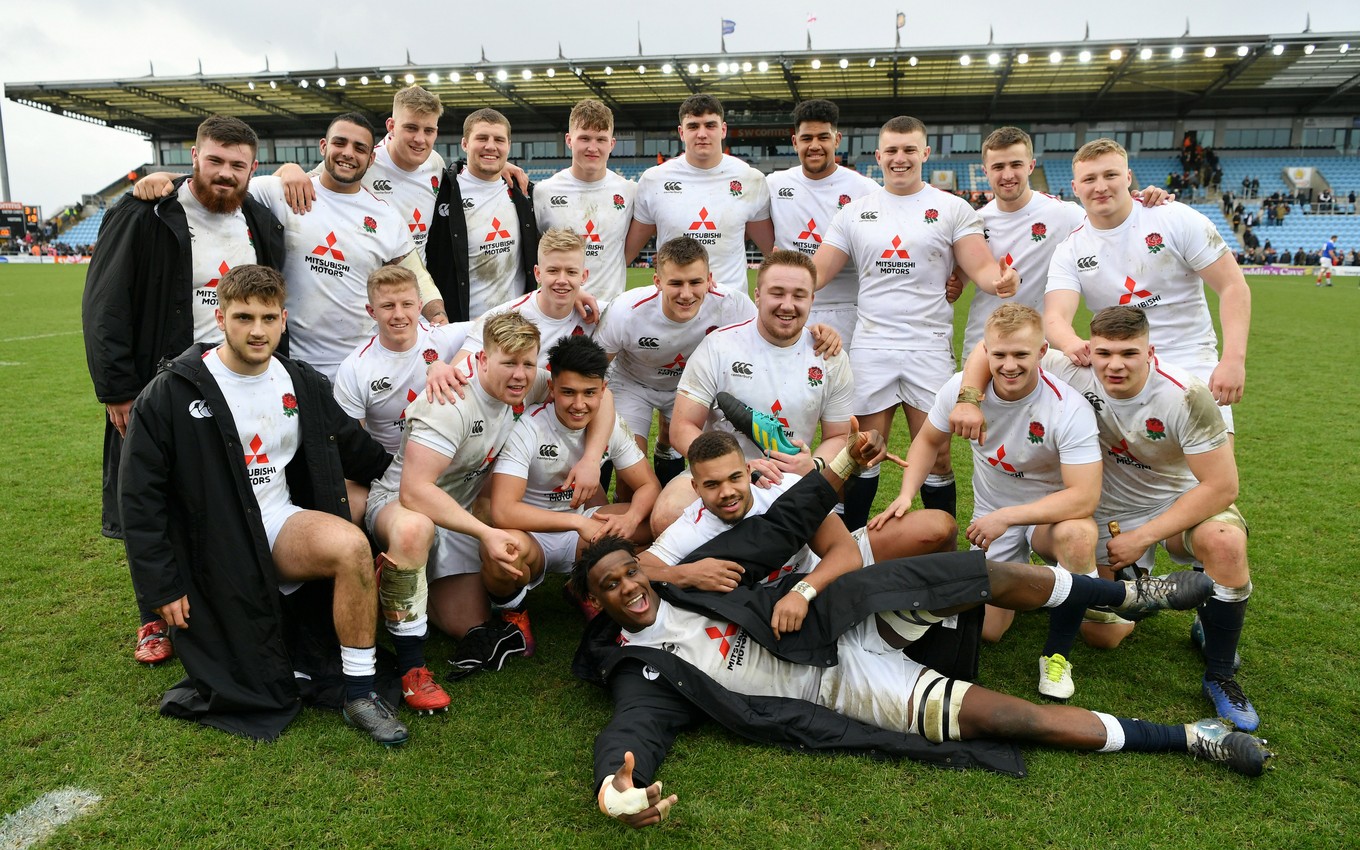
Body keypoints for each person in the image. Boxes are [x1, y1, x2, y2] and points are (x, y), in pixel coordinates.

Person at [574, 452, 1268, 826]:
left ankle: (1126, 595)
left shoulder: (682, 580)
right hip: (836, 686)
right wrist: (614, 786)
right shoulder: (640, 670)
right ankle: (1188, 737)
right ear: (594, 601)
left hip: (834, 621)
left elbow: (777, 528)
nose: (628, 587)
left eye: (629, 570)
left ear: (643, 567)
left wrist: (839, 464)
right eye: (610, 586)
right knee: (1010, 718)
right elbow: (634, 732)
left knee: (973, 575)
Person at [119, 265, 405, 744]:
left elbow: (359, 450)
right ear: (220, 318)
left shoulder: (299, 381)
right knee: (248, 673)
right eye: (244, 317)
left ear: (284, 319)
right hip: (215, 544)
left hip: (276, 523)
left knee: (351, 546)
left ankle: (360, 694)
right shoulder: (171, 392)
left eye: (268, 318)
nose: (257, 330)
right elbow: (139, 498)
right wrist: (160, 588)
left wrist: (423, 481)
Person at [954, 305, 1260, 731]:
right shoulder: (1069, 368)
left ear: (1150, 351)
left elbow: (1222, 487)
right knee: (1103, 636)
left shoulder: (1186, 394)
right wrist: (968, 398)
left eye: (1129, 354)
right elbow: (990, 352)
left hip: (1178, 502)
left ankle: (1221, 674)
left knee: (1225, 541)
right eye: (1104, 353)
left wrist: (1144, 536)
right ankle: (1149, 592)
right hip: (1108, 511)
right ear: (1088, 351)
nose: (1115, 365)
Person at [83, 114, 285, 665]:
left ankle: (219, 594)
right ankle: (153, 614)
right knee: (153, 494)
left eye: (236, 165)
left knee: (225, 489)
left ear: (252, 168)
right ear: (193, 157)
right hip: (160, 381)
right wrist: (119, 390)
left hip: (239, 378)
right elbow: (106, 305)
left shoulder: (261, 223)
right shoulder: (146, 214)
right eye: (214, 160)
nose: (225, 173)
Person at [812, 115, 1019, 528]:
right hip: (872, 344)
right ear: (878, 156)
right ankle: (852, 545)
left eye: (909, 150)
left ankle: (941, 549)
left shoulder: (951, 208)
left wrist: (1001, 280)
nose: (900, 158)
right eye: (891, 150)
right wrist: (781, 289)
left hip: (928, 344)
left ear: (925, 153)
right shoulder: (855, 213)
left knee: (939, 453)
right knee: (864, 449)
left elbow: (980, 266)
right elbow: (817, 271)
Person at [884, 304, 1101, 698]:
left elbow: (1084, 496)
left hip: (1049, 519)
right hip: (993, 519)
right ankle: (1046, 588)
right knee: (988, 630)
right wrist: (905, 495)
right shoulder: (960, 390)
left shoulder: (1068, 407)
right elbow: (928, 441)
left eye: (1021, 354)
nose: (1009, 365)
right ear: (986, 352)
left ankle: (1058, 654)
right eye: (999, 355)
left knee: (1103, 630)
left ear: (1042, 351)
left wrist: (1009, 517)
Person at [374, 311, 612, 662]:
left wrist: (591, 459)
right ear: (483, 359)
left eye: (528, 363)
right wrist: (486, 533)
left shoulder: (526, 382)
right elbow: (414, 492)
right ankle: (390, 574)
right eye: (509, 363)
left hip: (460, 511)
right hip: (403, 505)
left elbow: (601, 394)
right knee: (415, 529)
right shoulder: (450, 401)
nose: (520, 375)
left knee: (470, 623)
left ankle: (413, 580)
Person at [332, 265, 472, 713]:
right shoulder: (355, 368)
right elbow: (349, 449)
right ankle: (412, 666)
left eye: (407, 304)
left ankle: (397, 577)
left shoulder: (447, 339)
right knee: (397, 527)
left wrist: (453, 360)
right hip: (388, 481)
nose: (398, 315)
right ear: (370, 310)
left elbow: (508, 320)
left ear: (421, 307)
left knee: (465, 623)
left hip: (452, 479)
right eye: (387, 306)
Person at [1045, 138, 1251, 433]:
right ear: (1075, 188)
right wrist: (1070, 343)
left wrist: (1233, 360)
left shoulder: (1174, 218)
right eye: (1089, 179)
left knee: (1214, 470)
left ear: (1128, 178)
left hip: (1189, 359)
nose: (1100, 186)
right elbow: (1055, 317)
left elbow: (1233, 286)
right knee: (1123, 471)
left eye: (1110, 175)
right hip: (1119, 366)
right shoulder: (1070, 249)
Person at [655, 250, 852, 531]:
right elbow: (682, 427)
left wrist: (815, 464)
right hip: (722, 475)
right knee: (666, 517)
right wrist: (731, 469)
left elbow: (839, 436)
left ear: (812, 300)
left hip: (791, 478)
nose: (788, 305)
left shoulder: (830, 356)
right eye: (777, 293)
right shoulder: (719, 346)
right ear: (757, 295)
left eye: (799, 295)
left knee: (826, 543)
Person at [642, 430, 955, 599]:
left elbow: (845, 553)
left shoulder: (783, 487)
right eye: (712, 485)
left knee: (937, 525)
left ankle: (949, 614)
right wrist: (682, 574)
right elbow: (637, 568)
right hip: (767, 602)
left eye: (734, 478)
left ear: (748, 469)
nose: (726, 492)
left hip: (823, 573)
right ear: (695, 488)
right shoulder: (689, 528)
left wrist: (803, 593)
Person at [487, 335, 661, 640]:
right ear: (551, 388)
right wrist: (576, 522)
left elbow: (649, 485)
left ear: (603, 391)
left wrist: (631, 518)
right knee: (502, 552)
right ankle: (512, 612)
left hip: (583, 532)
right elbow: (503, 511)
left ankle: (581, 585)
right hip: (532, 534)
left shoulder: (610, 425)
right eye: (568, 392)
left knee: (657, 519)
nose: (579, 404)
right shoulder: (528, 427)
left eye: (589, 393)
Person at [592, 236, 756, 494]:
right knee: (630, 468)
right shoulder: (626, 309)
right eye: (676, 283)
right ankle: (633, 532)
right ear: (657, 282)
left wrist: (814, 333)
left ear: (710, 278)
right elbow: (594, 369)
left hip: (691, 386)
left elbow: (765, 341)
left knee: (687, 450)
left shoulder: (733, 304)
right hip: (633, 383)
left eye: (695, 282)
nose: (686, 293)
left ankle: (667, 499)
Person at [272, 84, 449, 324]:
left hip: (414, 291)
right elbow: (307, 181)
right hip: (367, 295)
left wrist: (502, 167)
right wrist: (288, 168)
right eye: (410, 128)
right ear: (391, 127)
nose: (420, 139)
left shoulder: (435, 163)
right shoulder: (362, 158)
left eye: (429, 131)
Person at [952, 127, 1085, 355]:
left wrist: (1146, 202)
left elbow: (1113, 227)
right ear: (985, 171)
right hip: (983, 345)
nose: (1007, 175)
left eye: (1016, 164)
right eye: (998, 167)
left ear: (1031, 166)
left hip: (1038, 348)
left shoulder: (1064, 214)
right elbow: (957, 282)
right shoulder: (975, 222)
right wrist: (954, 285)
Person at [626, 94, 774, 289]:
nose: (702, 133)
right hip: (675, 304)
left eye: (710, 125)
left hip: (730, 306)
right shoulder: (654, 179)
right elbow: (626, 254)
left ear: (723, 130)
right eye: (693, 126)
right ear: (681, 132)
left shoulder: (751, 179)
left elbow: (771, 252)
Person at [766, 99, 879, 347]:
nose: (814, 146)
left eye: (823, 137)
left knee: (840, 385)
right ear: (795, 142)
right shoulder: (773, 184)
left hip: (846, 310)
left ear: (837, 140)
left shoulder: (866, 190)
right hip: (789, 307)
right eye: (806, 138)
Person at [427, 108, 540, 322]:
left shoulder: (525, 194)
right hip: (462, 328)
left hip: (515, 328)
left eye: (499, 139)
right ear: (465, 144)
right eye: (481, 138)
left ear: (508, 146)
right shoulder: (441, 193)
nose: (490, 146)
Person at [533, 99, 636, 302]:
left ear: (612, 144)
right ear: (569, 140)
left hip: (610, 313)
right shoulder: (543, 192)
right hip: (560, 313)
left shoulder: (629, 191)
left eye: (600, 139)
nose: (592, 147)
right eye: (584, 138)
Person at [455, 228, 597, 367]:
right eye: (553, 271)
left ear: (584, 276)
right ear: (537, 273)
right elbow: (457, 371)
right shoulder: (502, 316)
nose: (562, 280)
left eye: (571, 272)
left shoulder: (598, 315)